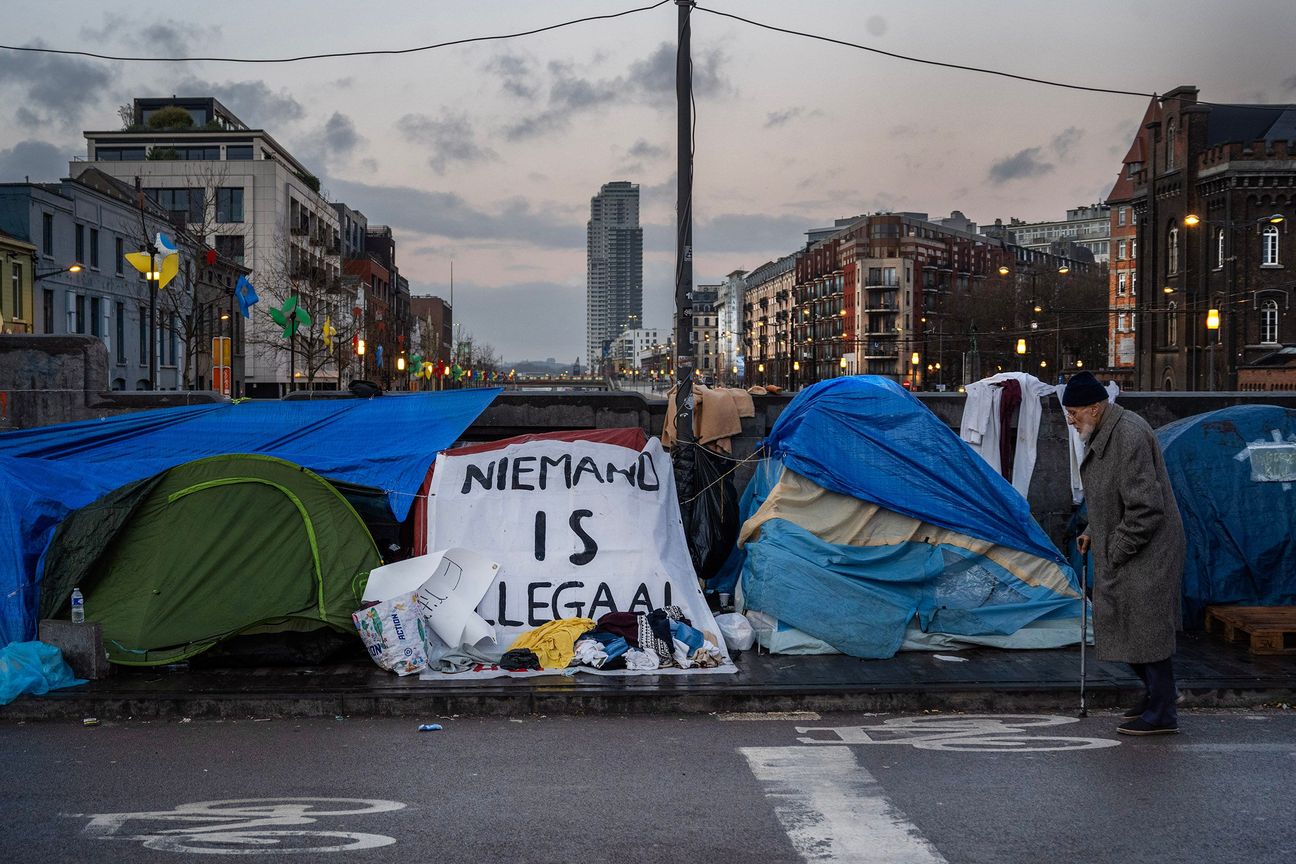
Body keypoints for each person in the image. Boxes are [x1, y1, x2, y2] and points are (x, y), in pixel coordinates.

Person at [1062, 371, 1184, 735]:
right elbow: (1109, 498)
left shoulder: (1128, 435)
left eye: (1075, 412)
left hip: (1149, 548)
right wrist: (1091, 531)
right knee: (1125, 622)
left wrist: (1114, 548)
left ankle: (1163, 710)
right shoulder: (1104, 433)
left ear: (1096, 408)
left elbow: (1146, 507)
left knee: (1146, 626)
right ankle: (1156, 696)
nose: (1070, 419)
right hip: (1129, 544)